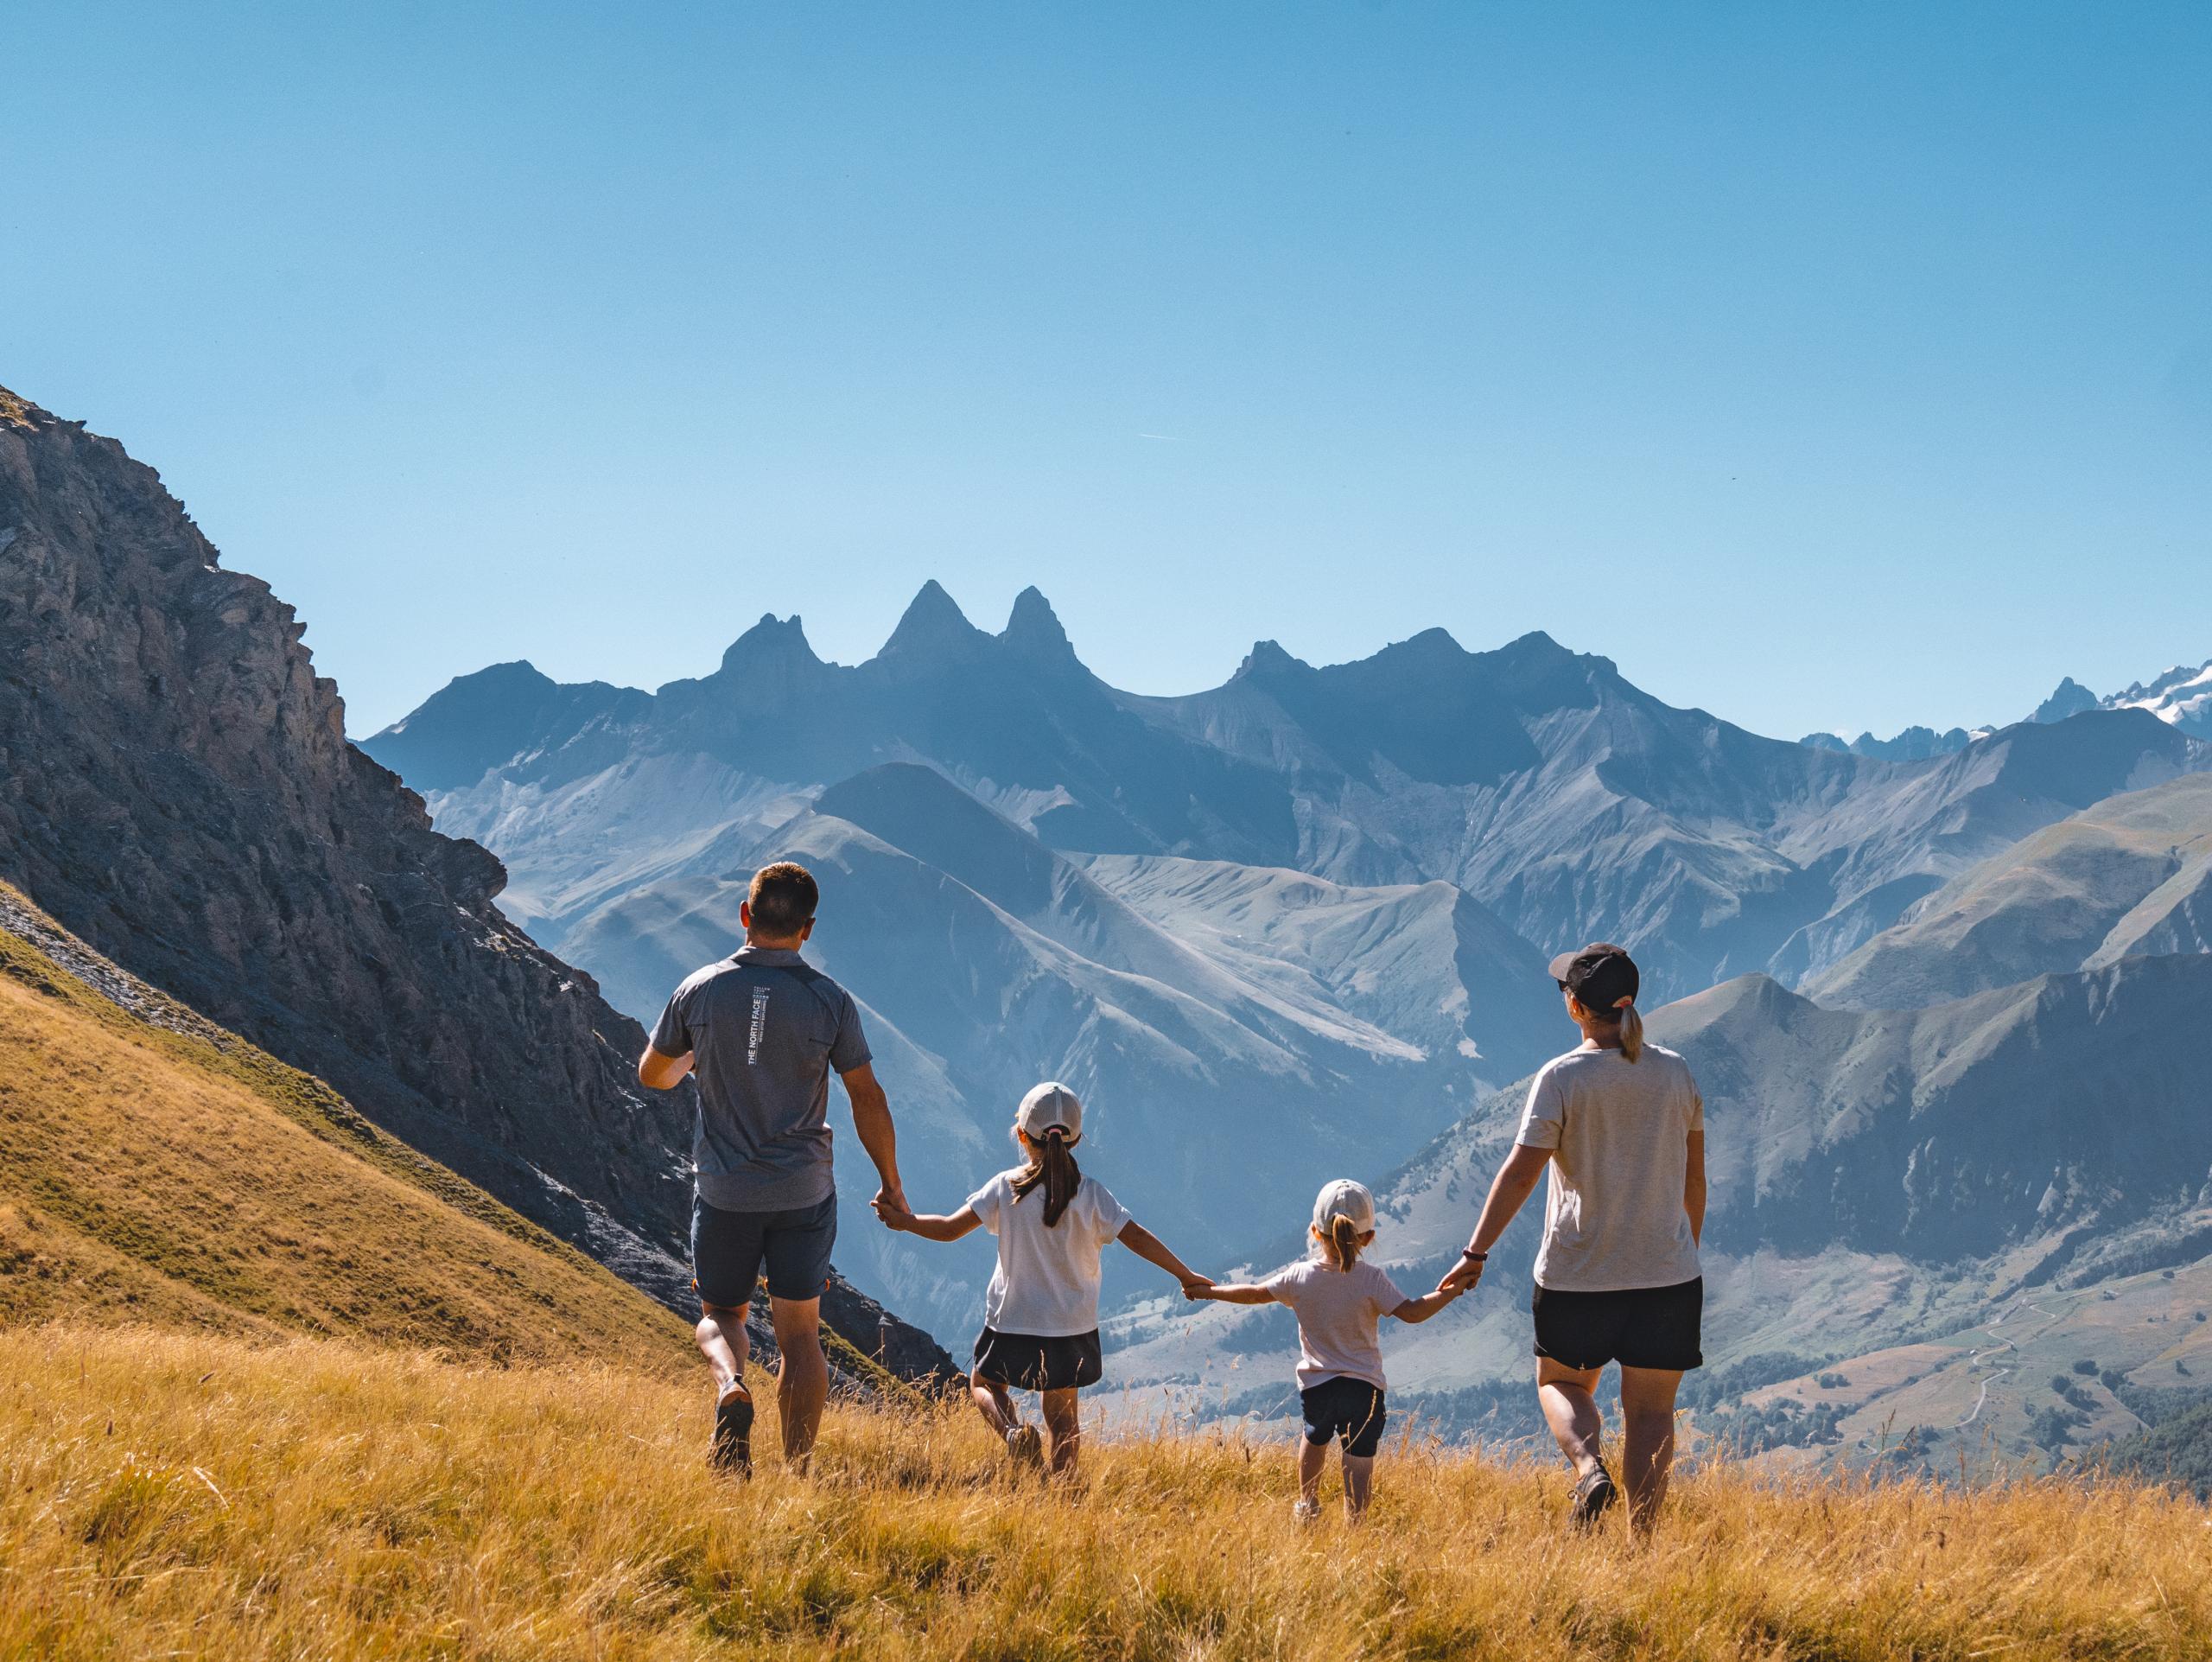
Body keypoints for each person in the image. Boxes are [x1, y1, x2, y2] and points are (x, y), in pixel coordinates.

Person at [637, 861, 906, 1478]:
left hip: (725, 1189)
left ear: (744, 915)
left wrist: (700, 1058)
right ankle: (798, 1470)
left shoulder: (699, 990)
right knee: (801, 1336)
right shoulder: (830, 1000)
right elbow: (868, 1098)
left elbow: (654, 1074)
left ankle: (731, 1384)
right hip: (803, 1192)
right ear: (807, 928)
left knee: (721, 1314)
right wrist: (892, 1185)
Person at [1438, 943, 1707, 1534]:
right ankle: (1642, 1545)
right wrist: (1682, 1249)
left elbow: (1521, 1172)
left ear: (1576, 1008)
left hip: (1580, 1274)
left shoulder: (1562, 1077)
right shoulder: (1676, 1072)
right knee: (1652, 1412)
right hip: (1669, 1276)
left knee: (1560, 1381)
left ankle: (1589, 1469)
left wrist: (1475, 1253)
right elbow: (1695, 1177)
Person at [874, 1081, 1208, 1476]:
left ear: (1022, 1135)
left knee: (984, 1385)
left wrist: (904, 1221)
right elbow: (1136, 1237)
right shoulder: (1092, 1195)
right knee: (1063, 1420)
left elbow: (949, 1229)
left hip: (1012, 1322)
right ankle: (1065, 1497)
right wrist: (1185, 1275)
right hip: (1071, 1327)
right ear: (1077, 1140)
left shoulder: (1005, 1188)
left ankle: (1013, 1433)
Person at [1188, 1178, 1461, 1522]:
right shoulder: (1372, 1279)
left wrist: (1209, 1291)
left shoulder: (1299, 1276)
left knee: (1314, 1438)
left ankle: (1308, 1507)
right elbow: (1412, 1312)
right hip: (1364, 1388)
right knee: (1358, 1459)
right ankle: (1356, 1525)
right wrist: (1452, 1290)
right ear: (1368, 1237)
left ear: (1315, 1232)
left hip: (1318, 1386)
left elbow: (1255, 1294)